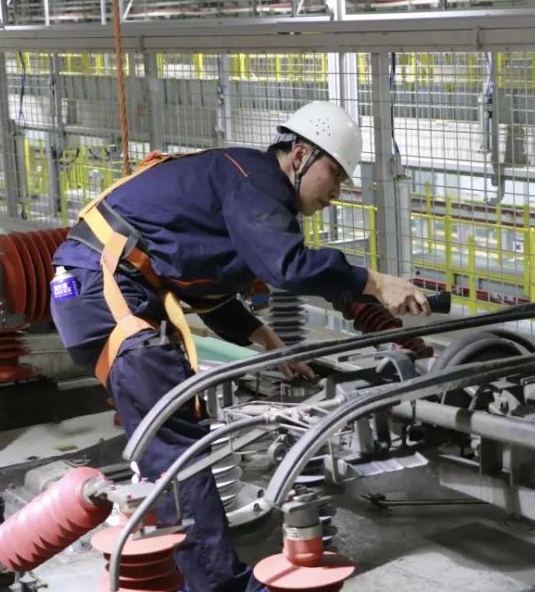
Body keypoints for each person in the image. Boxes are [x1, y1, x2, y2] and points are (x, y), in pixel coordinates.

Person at [49, 100, 429, 591]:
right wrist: (374, 282)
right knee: (177, 444)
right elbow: (286, 265)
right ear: (299, 154)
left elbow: (201, 284)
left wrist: (266, 341)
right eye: (333, 175)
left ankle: (188, 574)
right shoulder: (257, 180)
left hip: (96, 291)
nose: (335, 193)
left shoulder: (241, 184)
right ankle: (216, 585)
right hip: (104, 288)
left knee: (171, 434)